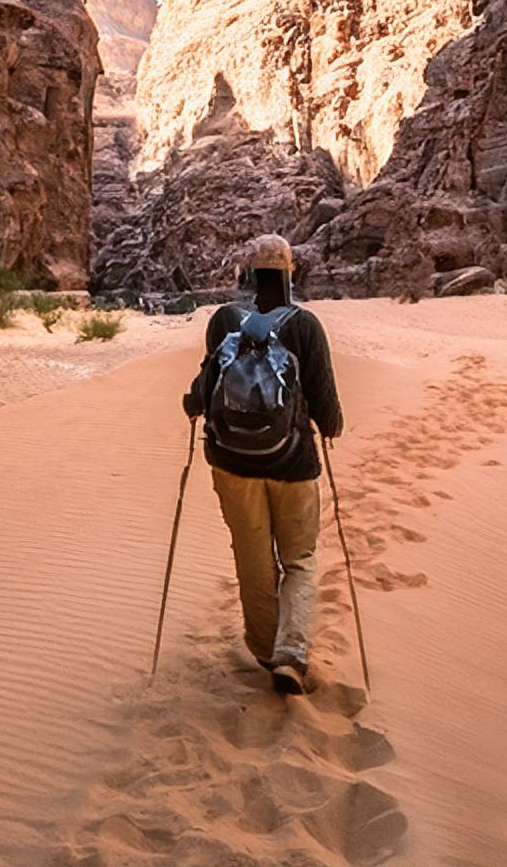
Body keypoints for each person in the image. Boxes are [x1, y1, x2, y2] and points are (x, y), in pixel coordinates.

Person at [182, 233, 343, 694]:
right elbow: (329, 414)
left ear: (249, 274)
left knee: (253, 561)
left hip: (232, 465)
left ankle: (266, 650)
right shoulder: (305, 326)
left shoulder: (224, 320)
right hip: (293, 466)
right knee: (299, 560)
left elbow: (202, 391)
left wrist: (191, 404)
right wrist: (328, 427)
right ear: (290, 273)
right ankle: (291, 654)